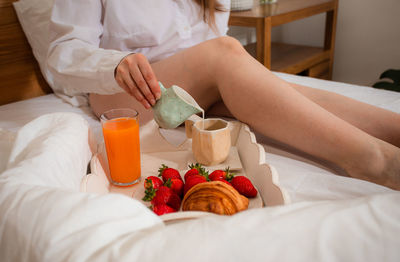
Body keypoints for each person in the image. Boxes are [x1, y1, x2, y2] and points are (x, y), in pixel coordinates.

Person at [47, 0, 400, 190]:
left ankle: (392, 130)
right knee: (225, 53)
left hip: (198, 84)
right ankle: (375, 162)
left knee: (286, 93)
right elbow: (62, 51)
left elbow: (211, 38)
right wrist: (116, 64)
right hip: (125, 90)